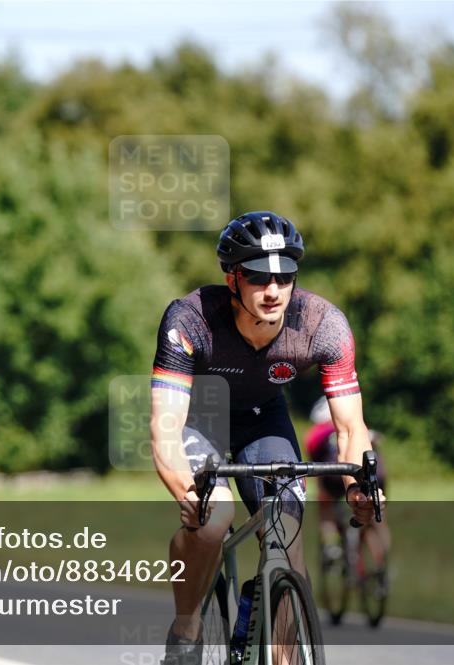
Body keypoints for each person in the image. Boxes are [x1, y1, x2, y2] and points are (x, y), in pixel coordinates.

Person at [150, 211, 386, 664]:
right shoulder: (190, 320)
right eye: (258, 277)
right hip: (201, 418)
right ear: (232, 277)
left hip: (265, 420)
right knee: (213, 518)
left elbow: (350, 427)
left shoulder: (323, 325)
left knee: (288, 536)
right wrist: (187, 492)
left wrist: (358, 485)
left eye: (284, 277)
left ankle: (281, 655)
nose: (273, 291)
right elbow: (165, 424)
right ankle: (186, 627)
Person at [305, 397, 390, 565]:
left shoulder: (316, 433)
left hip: (332, 475)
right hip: (375, 474)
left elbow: (315, 467)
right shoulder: (359, 427)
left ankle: (330, 545)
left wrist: (322, 493)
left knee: (326, 506)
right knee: (376, 516)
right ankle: (383, 564)